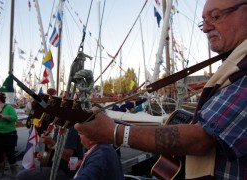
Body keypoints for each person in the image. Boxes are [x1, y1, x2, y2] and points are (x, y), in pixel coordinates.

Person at [75, 0, 247, 179]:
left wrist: (114, 132)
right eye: (203, 21)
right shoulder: (232, 68)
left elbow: (200, 139)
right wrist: (112, 126)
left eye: (216, 16)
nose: (205, 29)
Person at [16, 126, 83, 180]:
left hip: (64, 170)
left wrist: (51, 143)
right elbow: (54, 148)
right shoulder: (57, 128)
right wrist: (44, 155)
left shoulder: (70, 129)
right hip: (54, 166)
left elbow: (68, 154)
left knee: (22, 175)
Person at [0, 92, 18, 178]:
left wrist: (5, 116)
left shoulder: (9, 107)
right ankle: (0, 170)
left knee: (10, 153)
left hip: (9, 134)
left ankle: (13, 170)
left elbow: (15, 118)